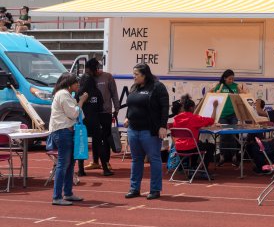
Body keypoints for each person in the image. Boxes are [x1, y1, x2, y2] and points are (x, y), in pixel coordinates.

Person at [124, 63, 169, 200]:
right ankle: (134, 188)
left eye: (136, 74)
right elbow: (130, 104)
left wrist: (162, 126)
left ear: (144, 75)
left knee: (154, 159)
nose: (134, 77)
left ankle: (155, 189)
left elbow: (164, 107)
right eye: (133, 74)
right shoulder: (134, 87)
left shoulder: (157, 87)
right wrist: (127, 116)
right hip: (133, 129)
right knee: (136, 159)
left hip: (149, 131)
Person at [49, 73, 88, 206]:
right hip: (63, 132)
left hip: (66, 131)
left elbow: (76, 114)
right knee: (63, 163)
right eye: (76, 82)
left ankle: (68, 192)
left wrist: (78, 104)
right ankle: (57, 196)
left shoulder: (65, 95)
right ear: (69, 84)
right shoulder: (63, 95)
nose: (78, 85)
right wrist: (81, 101)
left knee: (70, 163)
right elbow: (74, 114)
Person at [84, 58, 120, 172]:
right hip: (93, 113)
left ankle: (107, 162)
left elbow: (114, 93)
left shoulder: (107, 77)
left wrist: (117, 107)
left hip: (106, 112)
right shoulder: (89, 78)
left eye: (90, 70)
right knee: (95, 138)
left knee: (105, 138)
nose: (89, 73)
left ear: (96, 69)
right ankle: (95, 162)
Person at [169, 97, 217, 179]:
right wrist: (215, 107)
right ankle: (203, 169)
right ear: (191, 108)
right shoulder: (195, 118)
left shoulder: (176, 119)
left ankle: (193, 168)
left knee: (198, 144)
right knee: (211, 146)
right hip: (191, 147)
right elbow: (212, 120)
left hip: (179, 147)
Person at [76, 73, 114, 177]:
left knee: (81, 144)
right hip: (95, 121)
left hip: (82, 122)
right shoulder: (97, 92)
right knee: (99, 144)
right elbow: (101, 108)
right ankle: (105, 169)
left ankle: (80, 170)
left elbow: (76, 107)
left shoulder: (79, 92)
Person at [212, 69, 242, 167]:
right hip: (222, 114)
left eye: (233, 79)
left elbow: (243, 95)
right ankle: (222, 156)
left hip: (233, 114)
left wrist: (241, 90)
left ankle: (234, 157)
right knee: (223, 136)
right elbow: (213, 96)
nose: (231, 81)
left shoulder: (235, 86)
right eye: (229, 79)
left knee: (233, 136)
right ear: (225, 78)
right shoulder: (219, 86)